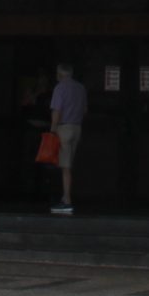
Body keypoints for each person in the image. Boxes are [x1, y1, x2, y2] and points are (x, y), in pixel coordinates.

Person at [48, 62, 86, 216]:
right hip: (77, 127)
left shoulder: (60, 88)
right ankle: (65, 196)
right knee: (69, 163)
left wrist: (53, 129)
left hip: (64, 128)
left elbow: (57, 111)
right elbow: (85, 109)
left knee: (65, 166)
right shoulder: (80, 88)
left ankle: (67, 200)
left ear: (60, 74)